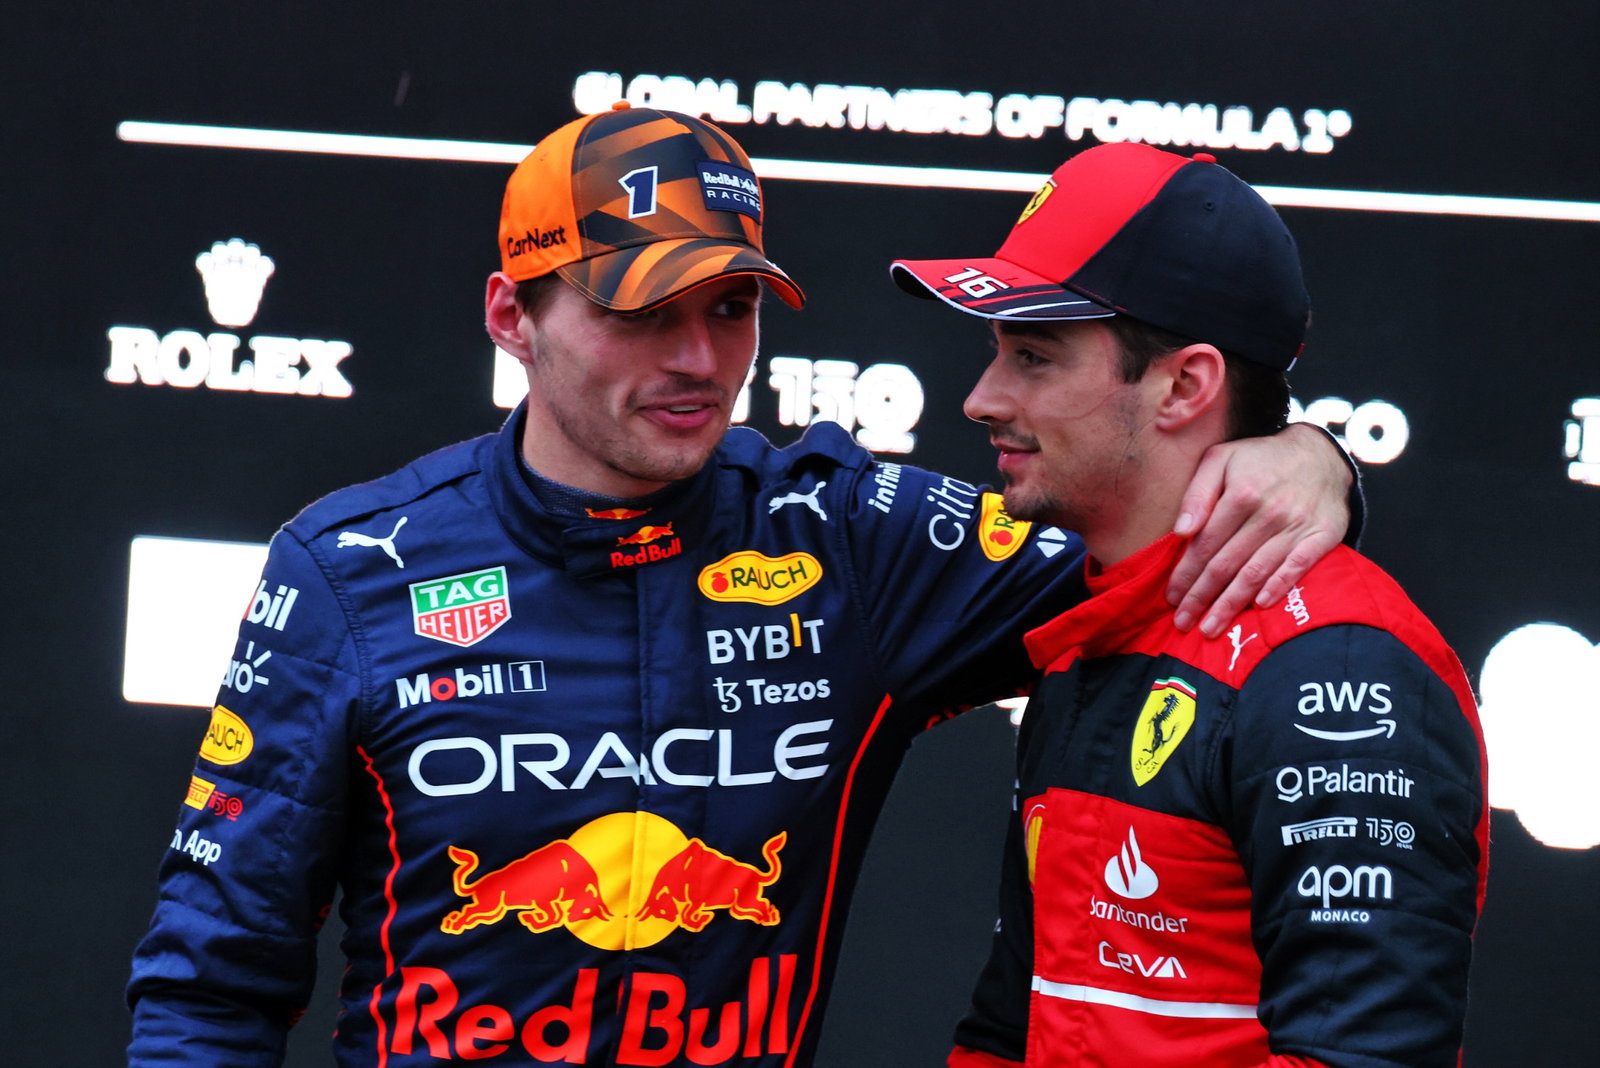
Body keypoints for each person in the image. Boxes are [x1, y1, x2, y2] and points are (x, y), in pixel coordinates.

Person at [126, 106, 1357, 1067]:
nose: (700, 360)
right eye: (642, 312)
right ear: (512, 313)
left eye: (729, 308)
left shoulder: (849, 543)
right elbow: (212, 980)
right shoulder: (348, 572)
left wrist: (1316, 460)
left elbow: (1153, 550)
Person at [891, 142, 1487, 1067]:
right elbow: (1013, 1029)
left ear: (1184, 385)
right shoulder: (1089, 629)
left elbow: (1365, 1058)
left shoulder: (1336, 667)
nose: (980, 398)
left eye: (1034, 356)